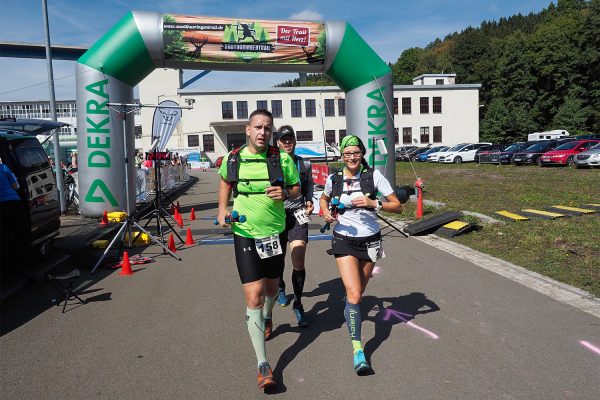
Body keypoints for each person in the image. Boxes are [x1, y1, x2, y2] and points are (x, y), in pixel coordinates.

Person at [217, 109, 300, 390]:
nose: (263, 132)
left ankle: (267, 315)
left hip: (274, 233)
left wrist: (286, 193)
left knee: (272, 289)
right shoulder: (234, 158)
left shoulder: (281, 158)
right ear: (248, 129)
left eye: (268, 127)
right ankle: (263, 364)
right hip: (244, 233)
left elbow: (297, 188)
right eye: (258, 127)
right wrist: (221, 210)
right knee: (253, 295)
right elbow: (226, 183)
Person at [319, 135, 402, 374]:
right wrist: (325, 212)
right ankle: (358, 351)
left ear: (362, 154)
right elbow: (323, 200)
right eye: (347, 154)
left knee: (358, 292)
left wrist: (373, 203)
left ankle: (350, 306)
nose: (352, 157)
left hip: (371, 241)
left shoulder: (373, 176)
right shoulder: (334, 178)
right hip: (343, 240)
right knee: (355, 295)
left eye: (356, 153)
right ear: (341, 156)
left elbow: (397, 205)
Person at [274, 125, 314, 327]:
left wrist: (309, 200)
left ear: (295, 142)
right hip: (276, 216)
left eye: (290, 139)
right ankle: (280, 286)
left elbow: (309, 186)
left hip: (298, 214)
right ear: (278, 142)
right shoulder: (271, 164)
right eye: (283, 140)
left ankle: (298, 303)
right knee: (278, 259)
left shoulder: (304, 164)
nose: (287, 143)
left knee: (298, 260)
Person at [0, 158, 29, 278]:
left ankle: (9, 272)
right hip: (13, 202)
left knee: (4, 239)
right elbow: (15, 186)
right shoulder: (4, 167)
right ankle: (27, 267)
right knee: (22, 235)